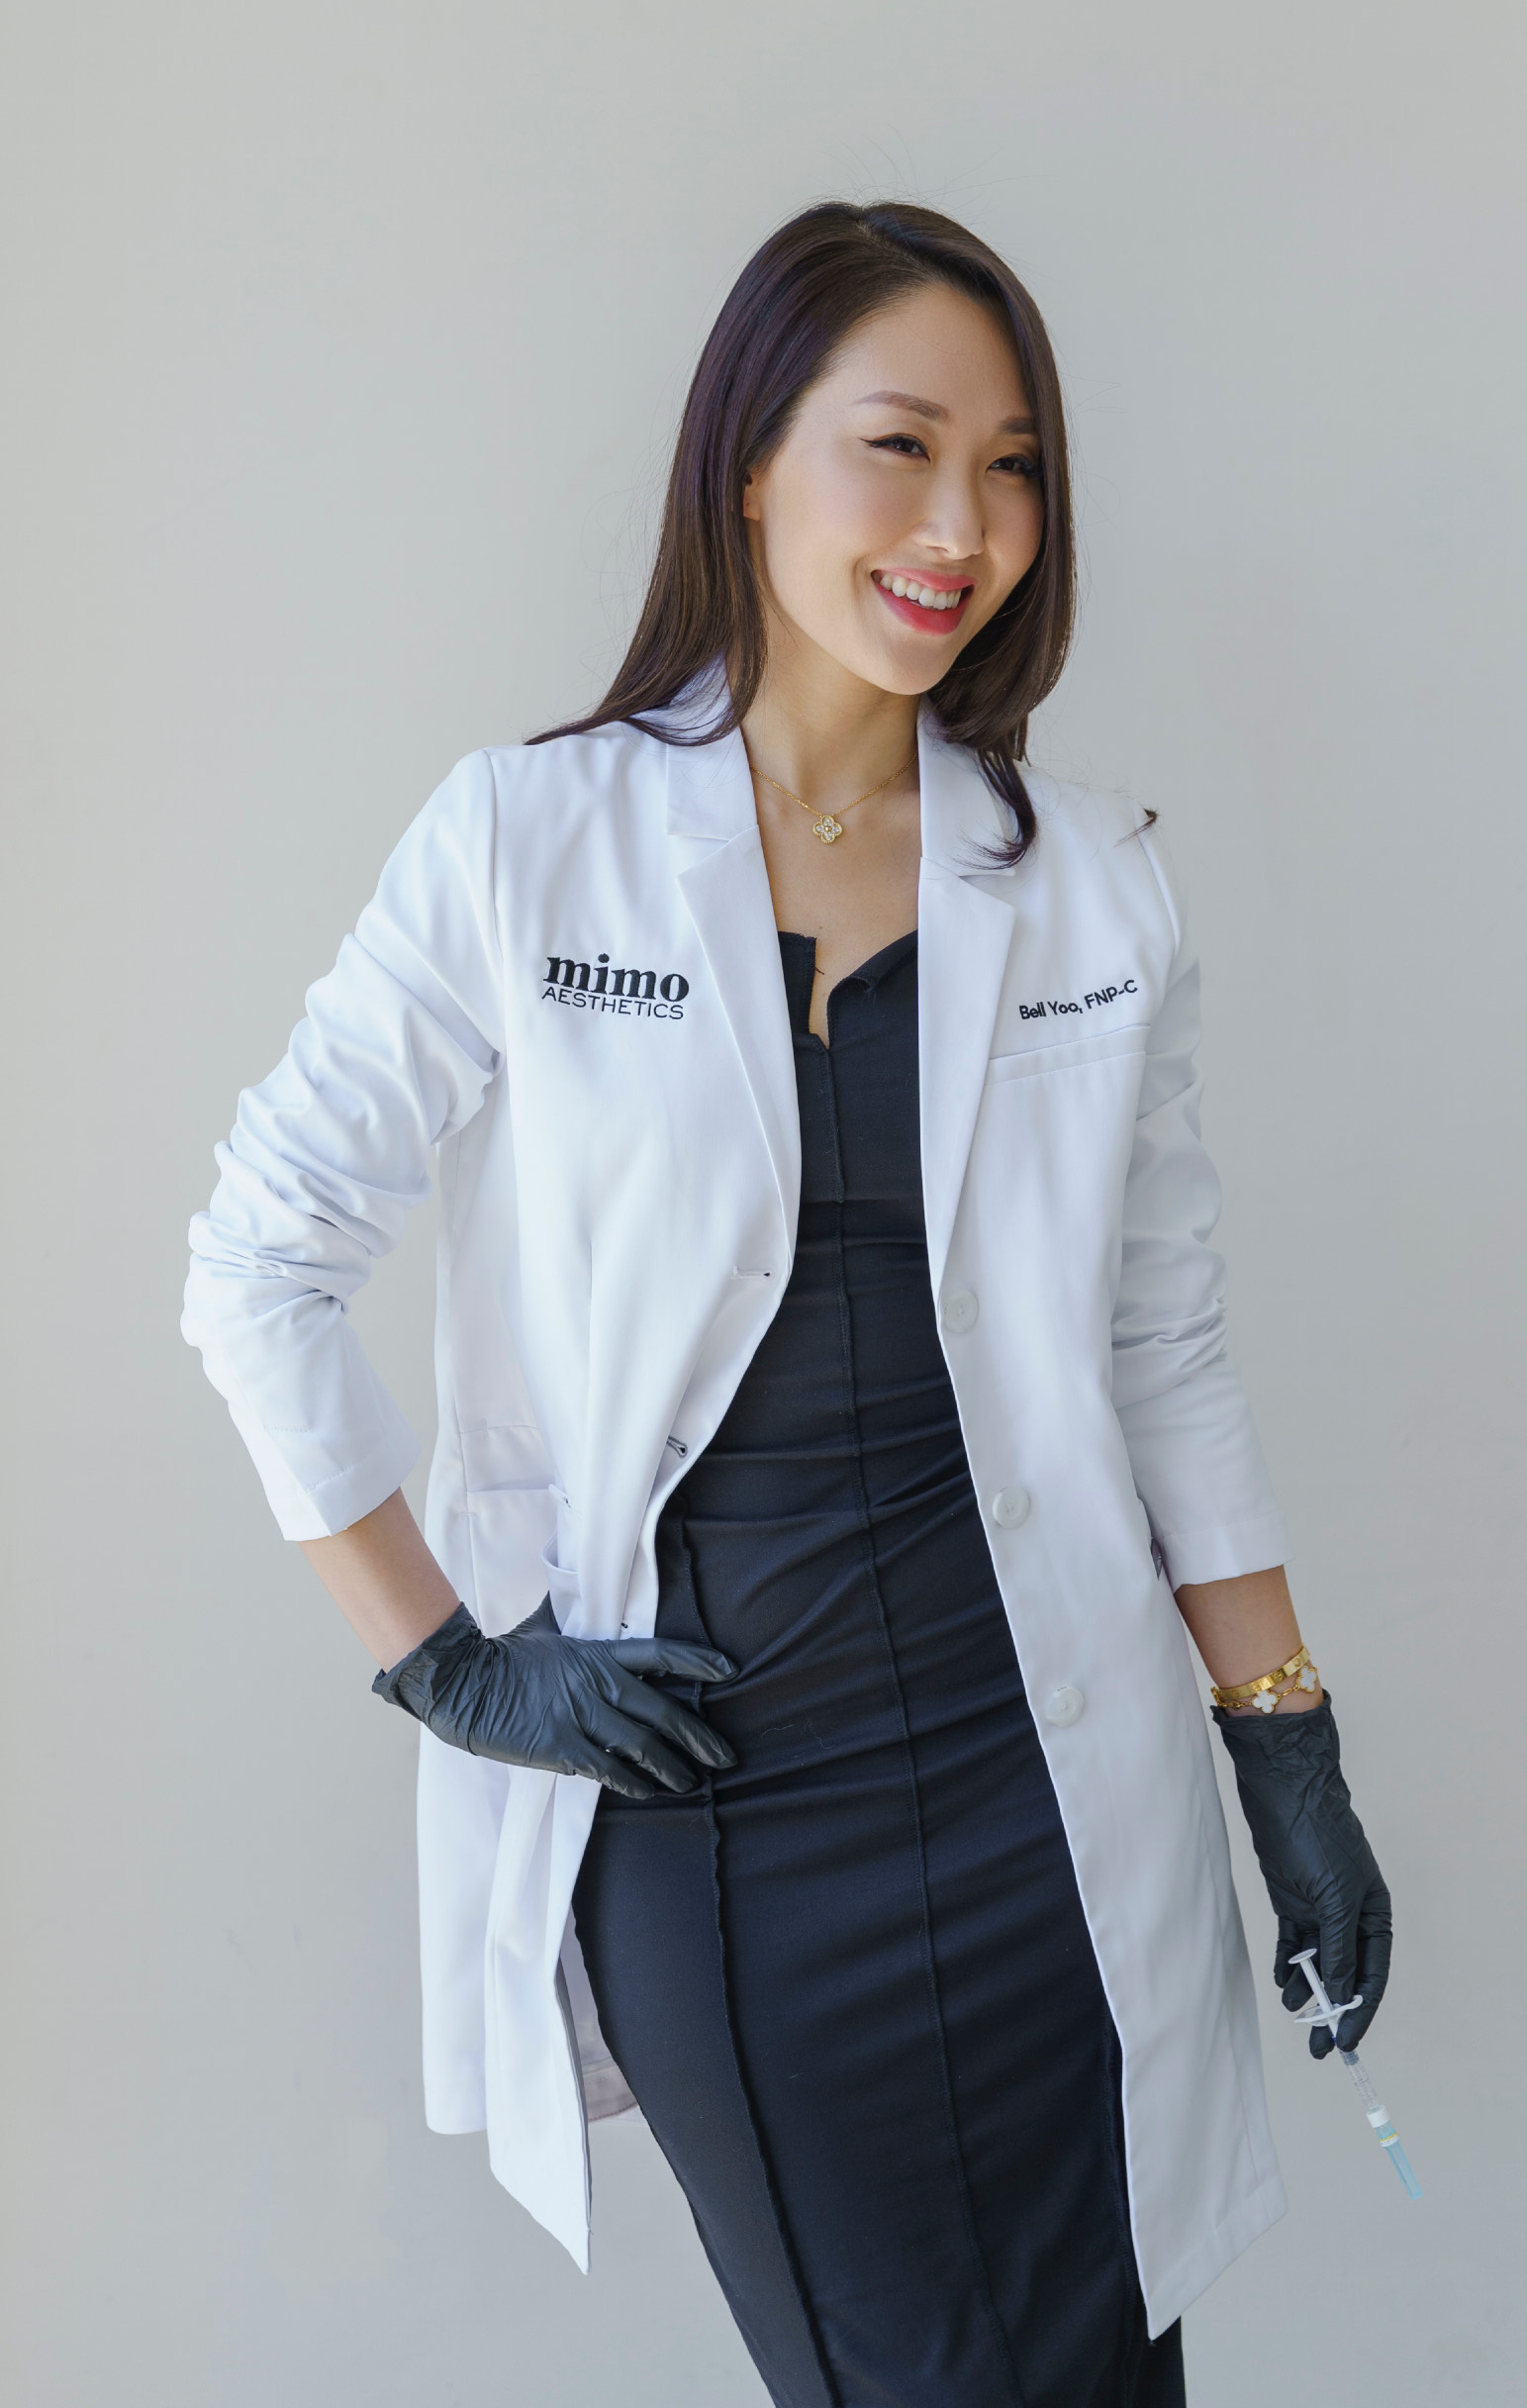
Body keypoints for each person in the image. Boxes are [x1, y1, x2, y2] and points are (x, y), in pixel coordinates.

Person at [184, 200, 1391, 2408]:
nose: (961, 529)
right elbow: (257, 1260)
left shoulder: (1091, 880)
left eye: (1011, 467)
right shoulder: (525, 845)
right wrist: (444, 1660)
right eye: (897, 447)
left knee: (1107, 2369)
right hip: (723, 1820)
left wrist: (1284, 1744)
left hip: (1051, 1792)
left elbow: (1164, 1353)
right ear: (750, 464)